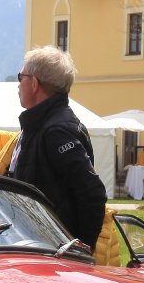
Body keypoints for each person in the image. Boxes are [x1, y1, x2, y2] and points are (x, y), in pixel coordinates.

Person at [9, 46, 107, 248]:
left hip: (53, 251)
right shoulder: (41, 125)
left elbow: (93, 193)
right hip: (37, 245)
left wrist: (81, 249)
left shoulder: (56, 130)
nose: (18, 84)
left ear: (34, 83)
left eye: (21, 77)